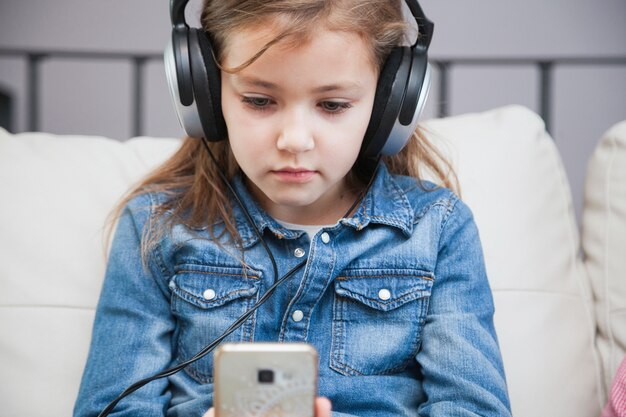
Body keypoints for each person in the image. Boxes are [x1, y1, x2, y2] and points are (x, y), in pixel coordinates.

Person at [73, 0, 512, 416]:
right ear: (205, 93)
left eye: (333, 105)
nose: (295, 140)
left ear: (388, 104)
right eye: (260, 101)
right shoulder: (157, 226)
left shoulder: (437, 229)